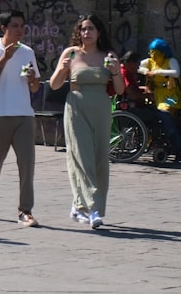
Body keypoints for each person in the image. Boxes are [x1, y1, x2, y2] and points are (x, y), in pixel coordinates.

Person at [49, 15, 124, 228]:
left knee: (100, 158)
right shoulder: (71, 53)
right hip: (76, 108)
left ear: (99, 32)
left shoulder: (108, 56)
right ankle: (93, 208)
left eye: (91, 29)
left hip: (101, 107)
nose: (86, 33)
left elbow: (119, 90)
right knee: (82, 157)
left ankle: (79, 205)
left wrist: (115, 71)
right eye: (83, 29)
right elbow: (54, 85)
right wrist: (63, 69)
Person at [0, 10, 41, 226]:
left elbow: (34, 87)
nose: (19, 30)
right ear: (4, 28)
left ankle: (25, 210)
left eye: (22, 26)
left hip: (24, 114)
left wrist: (33, 79)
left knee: (27, 164)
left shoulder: (27, 52)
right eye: (14, 26)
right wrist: (5, 58)